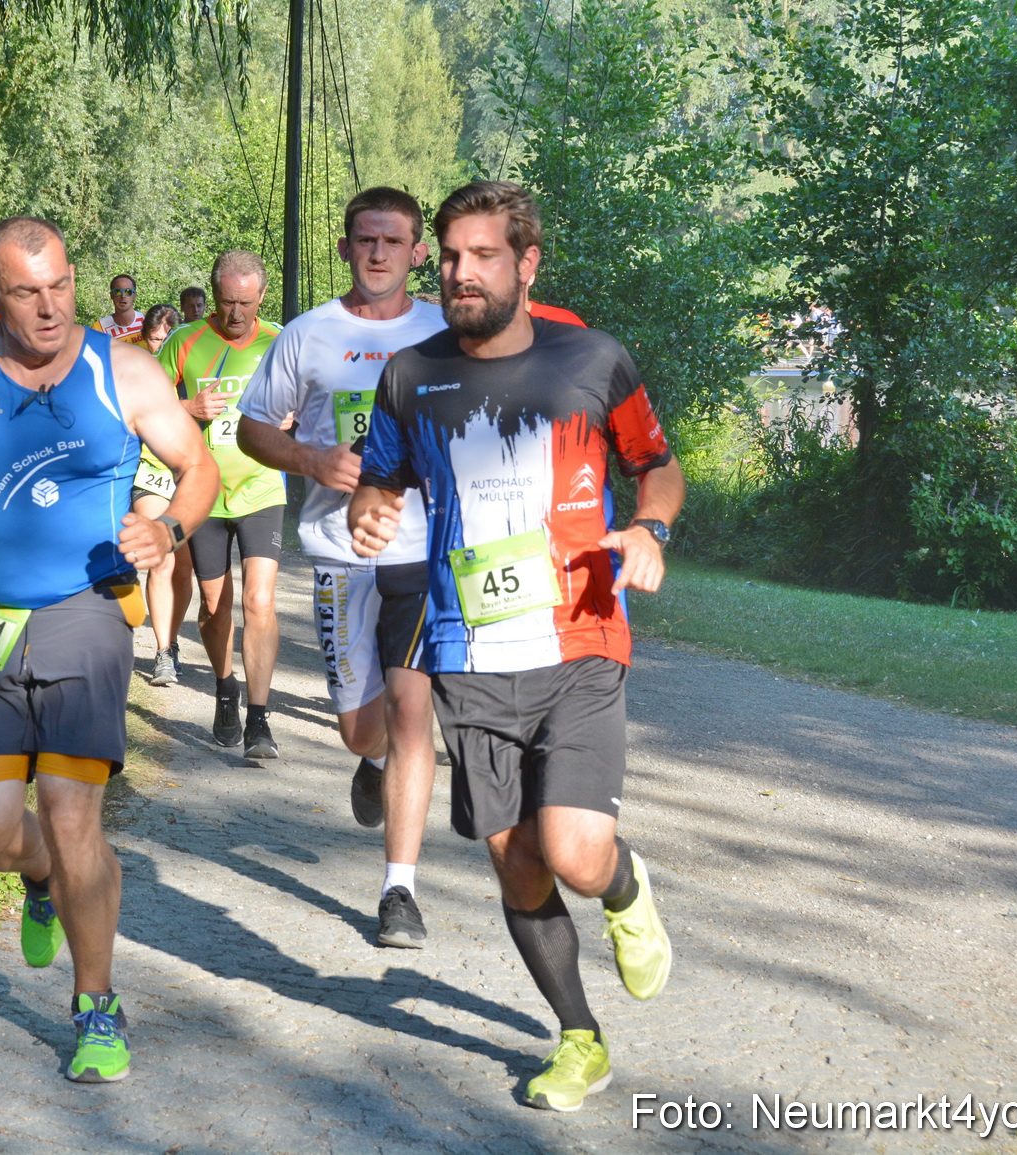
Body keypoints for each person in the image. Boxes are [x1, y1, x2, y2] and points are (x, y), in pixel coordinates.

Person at [349, 181, 681, 1113]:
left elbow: (656, 465)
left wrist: (651, 528)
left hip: (580, 638)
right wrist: (370, 511)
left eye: (483, 256)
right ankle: (580, 1037)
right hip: (468, 655)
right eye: (451, 256)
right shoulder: (409, 375)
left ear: (526, 264)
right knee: (519, 862)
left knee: (573, 850)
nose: (461, 273)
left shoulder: (591, 359)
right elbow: (380, 479)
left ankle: (623, 885)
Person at [0, 215, 218, 1084]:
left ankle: (96, 1005)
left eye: (61, 286)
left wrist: (169, 530)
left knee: (75, 816)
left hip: (88, 609)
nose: (50, 307)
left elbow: (198, 467)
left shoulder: (123, 370)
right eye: (26, 292)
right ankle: (39, 874)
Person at [237, 186, 447, 948]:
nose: (379, 253)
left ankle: (400, 890)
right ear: (345, 248)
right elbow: (253, 428)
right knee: (363, 730)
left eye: (394, 241)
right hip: (338, 552)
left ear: (418, 252)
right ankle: (375, 758)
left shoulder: (445, 331)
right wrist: (311, 459)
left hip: (422, 550)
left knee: (414, 710)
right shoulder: (307, 335)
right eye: (366, 240)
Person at [161, 250, 284, 758]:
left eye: (246, 303)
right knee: (215, 606)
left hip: (261, 486)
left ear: (262, 297)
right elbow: (145, 406)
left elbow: (313, 400)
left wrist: (294, 417)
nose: (236, 313)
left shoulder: (279, 341)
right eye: (227, 302)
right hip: (204, 492)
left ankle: (259, 718)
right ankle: (225, 686)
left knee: (259, 601)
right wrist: (188, 407)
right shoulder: (184, 340)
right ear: (214, 296)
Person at [126, 302, 191, 685]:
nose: (161, 346)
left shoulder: (193, 367)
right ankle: (163, 652)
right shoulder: (138, 370)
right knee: (161, 559)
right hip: (150, 473)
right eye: (154, 339)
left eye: (168, 339)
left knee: (184, 569)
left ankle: (173, 640)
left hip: (189, 474)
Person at [93, 274, 144, 340]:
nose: (123, 296)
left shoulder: (146, 322)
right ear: (111, 295)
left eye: (128, 292)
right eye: (117, 292)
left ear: (134, 295)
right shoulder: (99, 329)